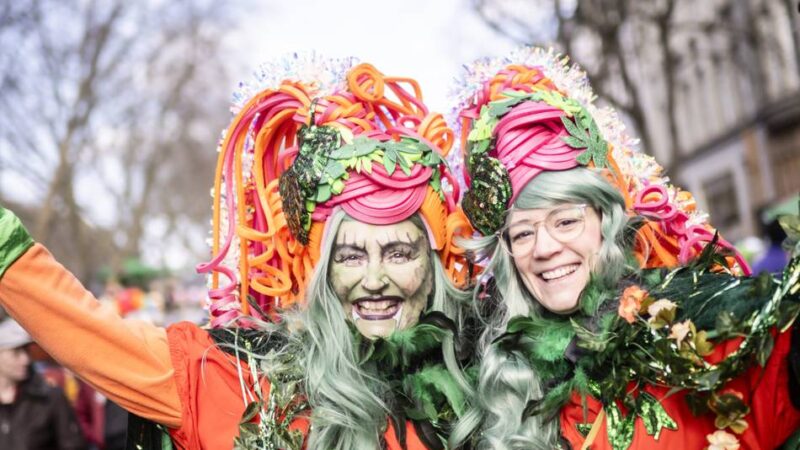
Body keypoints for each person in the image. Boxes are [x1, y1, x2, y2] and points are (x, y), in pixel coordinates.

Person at [0, 55, 475, 449]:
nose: (374, 278)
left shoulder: (494, 385)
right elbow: (89, 334)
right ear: (318, 270)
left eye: (397, 253)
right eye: (350, 256)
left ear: (433, 263)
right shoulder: (238, 380)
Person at [447, 47, 800, 449]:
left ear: (605, 220)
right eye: (523, 233)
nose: (544, 248)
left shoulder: (695, 330)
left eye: (566, 221)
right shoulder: (492, 381)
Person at [0, 317, 88, 450]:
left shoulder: (50, 397)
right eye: (16, 352)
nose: (25, 360)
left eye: (27, 351)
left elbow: (72, 444)